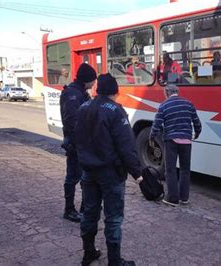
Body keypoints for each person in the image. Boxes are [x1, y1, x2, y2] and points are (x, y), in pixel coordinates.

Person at [75, 73, 143, 266]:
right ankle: (114, 261)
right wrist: (137, 174)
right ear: (115, 91)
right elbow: (126, 146)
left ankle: (88, 253)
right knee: (113, 218)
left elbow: (76, 137)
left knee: (89, 212)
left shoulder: (83, 108)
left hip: (88, 171)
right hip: (111, 174)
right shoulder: (116, 111)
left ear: (98, 90)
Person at [150, 84, 202, 207]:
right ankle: (184, 198)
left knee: (171, 170)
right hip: (186, 141)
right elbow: (197, 122)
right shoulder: (188, 104)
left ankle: (172, 198)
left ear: (167, 92)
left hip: (171, 141)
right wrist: (197, 133)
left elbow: (156, 124)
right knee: (185, 170)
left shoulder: (164, 105)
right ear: (177, 92)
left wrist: (151, 138)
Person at [59, 63, 97, 222]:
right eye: (93, 80)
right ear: (86, 80)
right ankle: (69, 210)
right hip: (76, 143)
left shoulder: (81, 92)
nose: (94, 83)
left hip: (82, 142)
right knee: (73, 177)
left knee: (84, 176)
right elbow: (71, 122)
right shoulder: (72, 94)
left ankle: (84, 207)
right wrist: (79, 143)